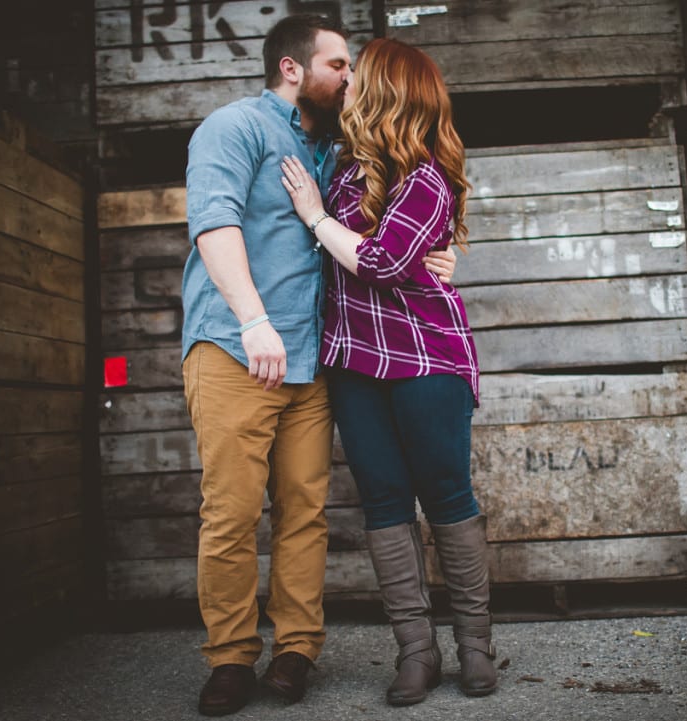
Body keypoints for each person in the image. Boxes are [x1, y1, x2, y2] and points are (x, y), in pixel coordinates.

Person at [182, 16, 455, 717]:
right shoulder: (233, 128)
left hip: (310, 360)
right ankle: (231, 656)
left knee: (304, 512)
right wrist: (252, 319)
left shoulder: (335, 149)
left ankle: (297, 648)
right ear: (293, 69)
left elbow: (385, 220)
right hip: (237, 349)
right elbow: (214, 225)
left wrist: (437, 258)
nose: (352, 77)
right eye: (340, 65)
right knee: (232, 512)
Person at [280, 37, 497, 706]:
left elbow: (381, 264)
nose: (346, 86)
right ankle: (416, 652)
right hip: (354, 361)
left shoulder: (424, 176)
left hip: (425, 354)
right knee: (382, 502)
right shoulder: (344, 170)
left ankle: (476, 647)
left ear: (386, 92)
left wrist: (314, 216)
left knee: (446, 494)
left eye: (356, 77)